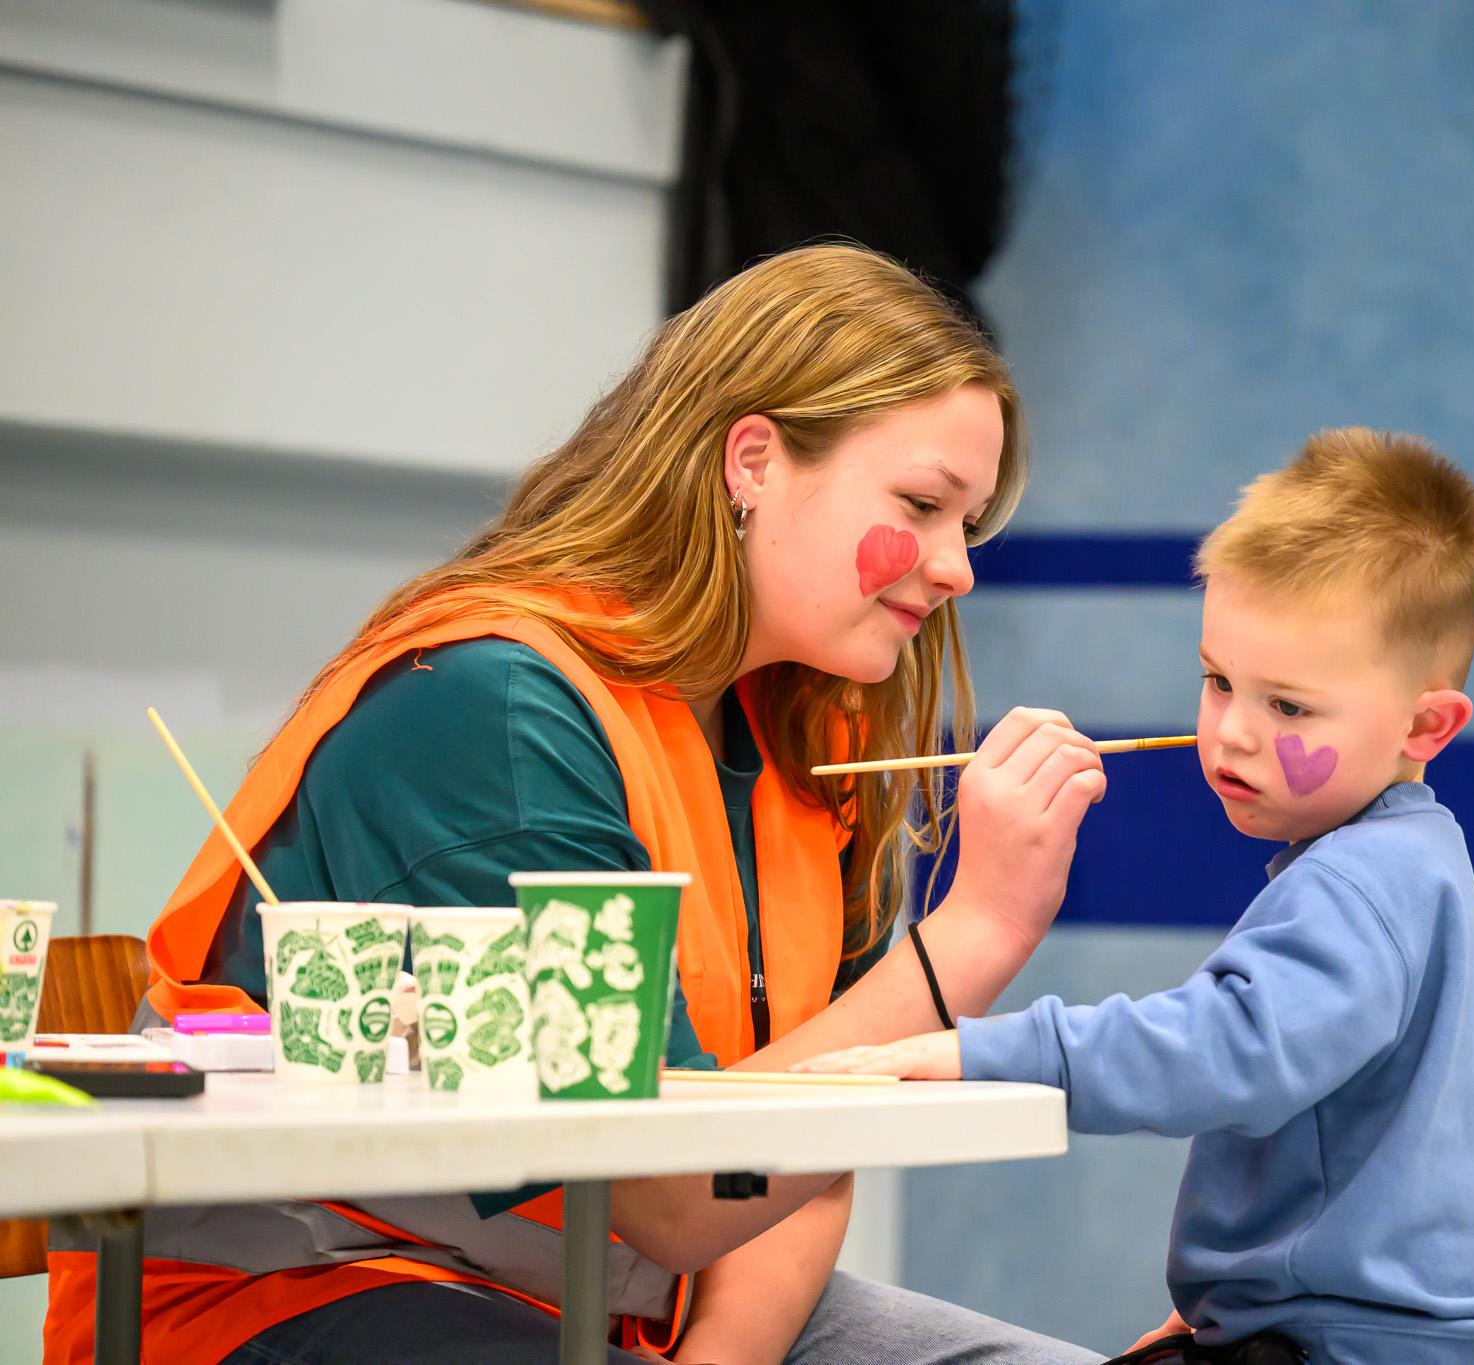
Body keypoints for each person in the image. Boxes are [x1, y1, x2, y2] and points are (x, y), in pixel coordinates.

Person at [44, 245, 1109, 1365]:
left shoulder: (807, 735)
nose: (956, 569)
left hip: (632, 1306)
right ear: (752, 461)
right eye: (922, 506)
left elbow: (806, 1156)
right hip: (301, 1287)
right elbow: (666, 1190)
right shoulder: (495, 709)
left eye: (967, 526)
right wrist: (978, 930)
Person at [798, 429, 1474, 1364]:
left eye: (1287, 706)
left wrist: (990, 1052)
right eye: (1218, 682)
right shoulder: (1420, 867)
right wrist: (1246, 1307)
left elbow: (1228, 1046)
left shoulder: (1362, 882)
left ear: (1426, 725)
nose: (1232, 732)